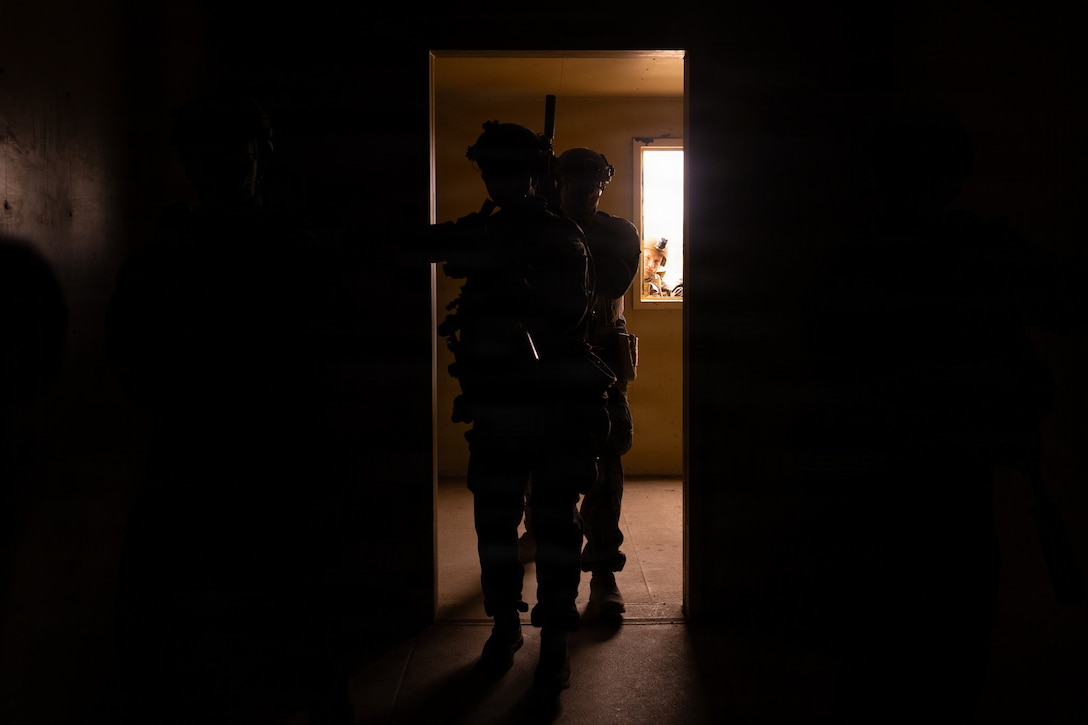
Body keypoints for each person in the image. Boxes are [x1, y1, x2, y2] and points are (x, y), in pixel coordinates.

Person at [107, 91, 356, 724]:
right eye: (206, 156)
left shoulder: (270, 242)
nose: (220, 169)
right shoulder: (205, 245)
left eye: (232, 154)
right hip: (219, 456)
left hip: (257, 456)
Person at [422, 121, 614, 689]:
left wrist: (506, 272)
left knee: (555, 527)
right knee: (495, 525)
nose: (497, 181)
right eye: (490, 171)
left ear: (533, 176)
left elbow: (566, 317)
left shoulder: (561, 237)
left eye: (508, 170)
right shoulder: (489, 231)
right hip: (501, 405)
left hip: (553, 404)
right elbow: (431, 243)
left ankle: (553, 641)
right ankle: (505, 624)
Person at [552, 147, 640, 619]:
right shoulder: (540, 228)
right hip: (548, 356)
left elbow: (606, 284)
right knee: (545, 458)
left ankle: (603, 569)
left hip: (602, 352)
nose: (587, 195)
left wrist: (562, 234)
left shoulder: (617, 232)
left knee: (607, 460)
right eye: (576, 185)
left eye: (595, 186)